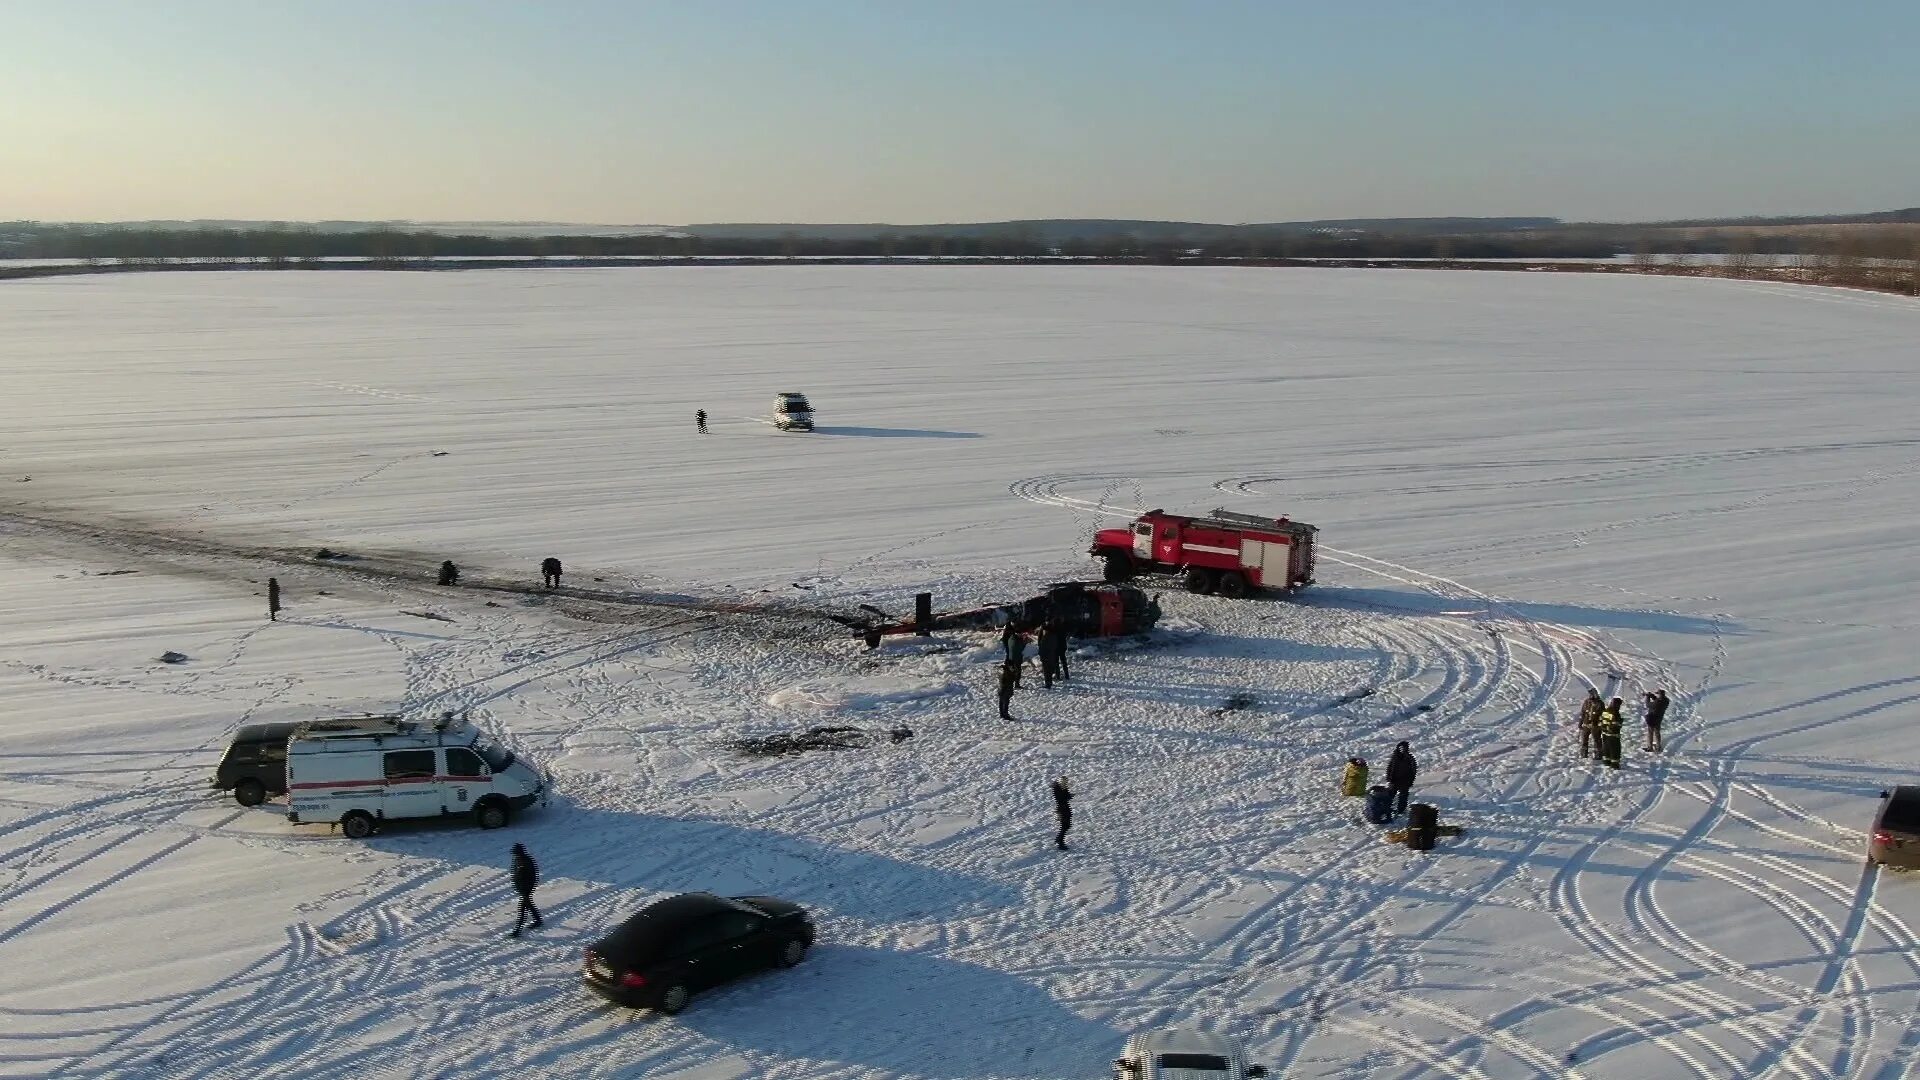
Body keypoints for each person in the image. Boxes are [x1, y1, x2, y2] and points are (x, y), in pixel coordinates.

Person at [509, 843, 543, 937]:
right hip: (522, 888)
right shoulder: (517, 860)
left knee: (522, 909)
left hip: (526, 888)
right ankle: (538, 920)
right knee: (528, 905)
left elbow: (533, 875)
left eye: (516, 853)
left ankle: (517, 930)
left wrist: (528, 889)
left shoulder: (527, 861)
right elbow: (515, 873)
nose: (515, 855)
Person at [1385, 741, 1418, 817]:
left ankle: (1401, 810)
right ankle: (1386, 807)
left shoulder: (1410, 758)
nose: (1402, 750)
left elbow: (1413, 770)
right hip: (1394, 780)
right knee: (1390, 795)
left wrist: (1410, 781)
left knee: (1403, 797)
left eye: (1404, 748)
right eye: (1400, 748)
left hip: (1405, 781)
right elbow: (1390, 767)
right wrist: (1389, 777)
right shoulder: (1395, 757)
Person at [1599, 697, 1624, 769]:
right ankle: (1615, 764)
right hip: (1613, 735)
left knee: (1606, 748)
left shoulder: (1606, 711)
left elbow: (1601, 720)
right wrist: (1620, 721)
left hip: (1605, 734)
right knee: (1615, 750)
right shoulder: (1615, 713)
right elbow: (1616, 725)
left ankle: (1606, 761)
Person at [1578, 688, 1603, 759]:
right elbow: (1583, 712)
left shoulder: (1599, 703)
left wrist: (1601, 722)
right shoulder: (1586, 702)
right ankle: (1584, 753)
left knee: (1597, 739)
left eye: (1592, 694)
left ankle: (1598, 754)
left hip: (1596, 725)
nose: (1590, 695)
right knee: (1584, 739)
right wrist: (1580, 723)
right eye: (1590, 694)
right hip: (1586, 724)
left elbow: (1603, 714)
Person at [1051, 776, 1073, 850]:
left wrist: (1069, 795)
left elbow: (1066, 795)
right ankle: (1060, 842)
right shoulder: (1058, 789)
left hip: (1064, 808)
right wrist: (1068, 796)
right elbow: (1061, 799)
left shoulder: (1062, 787)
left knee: (1066, 825)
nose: (1066, 784)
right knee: (1065, 825)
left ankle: (1059, 839)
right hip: (1062, 809)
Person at [1037, 624, 1061, 689]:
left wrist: (1041, 654)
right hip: (1051, 655)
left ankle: (1048, 684)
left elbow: (1042, 646)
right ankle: (1049, 682)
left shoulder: (1046, 638)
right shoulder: (1054, 636)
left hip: (1046, 656)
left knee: (1046, 671)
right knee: (1049, 670)